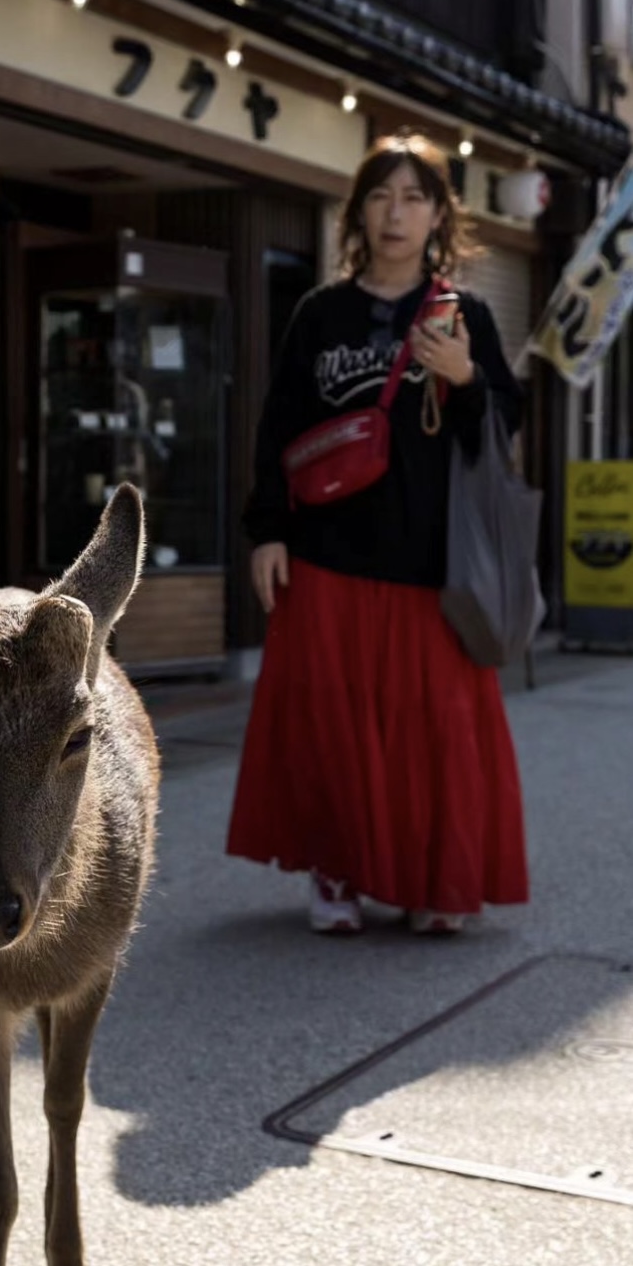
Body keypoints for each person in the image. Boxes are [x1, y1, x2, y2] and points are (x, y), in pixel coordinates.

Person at [226, 132, 529, 935]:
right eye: (380, 197)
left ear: (437, 217)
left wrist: (465, 378)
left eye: (413, 198)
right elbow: (278, 427)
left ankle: (433, 883)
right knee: (331, 727)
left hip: (432, 562)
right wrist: (266, 532)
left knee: (434, 733)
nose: (395, 214)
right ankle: (336, 874)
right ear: (357, 212)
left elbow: (501, 429)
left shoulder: (463, 314)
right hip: (326, 555)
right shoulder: (318, 314)